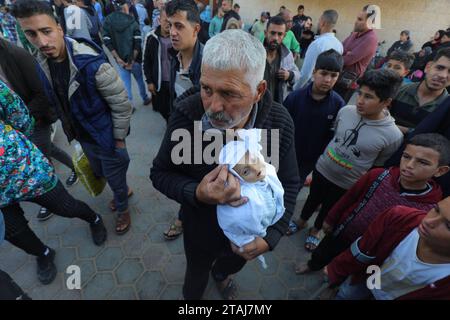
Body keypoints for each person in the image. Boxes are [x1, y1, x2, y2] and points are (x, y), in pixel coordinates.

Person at [150, 29, 300, 300]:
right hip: (199, 234)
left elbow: (290, 183)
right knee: (195, 278)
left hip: (247, 239)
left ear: (258, 91)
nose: (214, 106)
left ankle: (221, 275)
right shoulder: (187, 115)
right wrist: (197, 193)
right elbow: (160, 173)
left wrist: (271, 237)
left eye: (229, 94)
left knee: (229, 266)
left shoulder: (278, 122)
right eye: (207, 89)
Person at [13, 0, 134, 235]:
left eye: (46, 31)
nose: (42, 42)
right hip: (83, 137)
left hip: (106, 138)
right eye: (31, 34)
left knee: (114, 176)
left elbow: (122, 105)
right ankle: (122, 191)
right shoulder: (41, 60)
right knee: (101, 172)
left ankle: (123, 208)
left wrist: (118, 140)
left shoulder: (91, 63)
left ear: (59, 27)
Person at [0, 80, 107, 285]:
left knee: (65, 207)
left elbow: (20, 117)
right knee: (14, 232)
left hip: (25, 171)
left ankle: (94, 219)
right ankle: (44, 253)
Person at [296, 133, 449, 275]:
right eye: (406, 157)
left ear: (440, 171)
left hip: (370, 250)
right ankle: (313, 265)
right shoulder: (378, 175)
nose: (409, 165)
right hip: (343, 231)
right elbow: (349, 197)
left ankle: (333, 284)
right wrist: (330, 219)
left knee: (350, 270)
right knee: (324, 252)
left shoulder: (431, 207)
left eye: (422, 162)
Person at [295, 69, 404, 252]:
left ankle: (316, 230)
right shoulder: (345, 111)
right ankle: (301, 220)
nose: (360, 100)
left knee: (329, 207)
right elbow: (334, 135)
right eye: (359, 93)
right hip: (322, 169)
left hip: (346, 184)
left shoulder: (392, 136)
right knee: (312, 198)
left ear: (386, 102)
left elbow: (378, 165)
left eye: (368, 97)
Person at [0, 37, 79, 222]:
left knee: (41, 158)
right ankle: (75, 168)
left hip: (35, 117)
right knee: (49, 150)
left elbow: (41, 93)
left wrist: (22, 121)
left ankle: (55, 201)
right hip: (13, 128)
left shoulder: (16, 54)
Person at [323, 198, 450, 300]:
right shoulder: (399, 218)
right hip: (366, 278)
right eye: (436, 209)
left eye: (448, 225)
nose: (429, 221)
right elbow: (362, 248)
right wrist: (336, 269)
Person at [284, 49, 345, 235]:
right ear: (314, 72)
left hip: (313, 161)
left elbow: (333, 137)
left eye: (333, 75)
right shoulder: (295, 98)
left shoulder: (338, 105)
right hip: (288, 155)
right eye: (323, 73)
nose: (327, 80)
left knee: (297, 192)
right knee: (282, 187)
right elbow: (282, 128)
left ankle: (286, 219)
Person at [162, 0, 203, 240]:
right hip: (181, 133)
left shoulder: (209, 63)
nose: (172, 32)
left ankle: (185, 220)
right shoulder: (174, 56)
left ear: (196, 28)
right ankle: (184, 215)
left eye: (179, 26)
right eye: (169, 25)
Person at [389, 48, 450, 134]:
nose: (443, 75)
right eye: (439, 68)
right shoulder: (397, 91)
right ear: (428, 67)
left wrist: (403, 130)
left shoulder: (446, 108)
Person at [102, 0, 151, 107]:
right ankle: (145, 98)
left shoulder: (108, 21)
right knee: (139, 80)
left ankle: (130, 105)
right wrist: (132, 60)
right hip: (135, 60)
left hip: (120, 61)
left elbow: (106, 40)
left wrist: (118, 59)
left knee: (126, 83)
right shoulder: (132, 21)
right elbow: (138, 41)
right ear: (125, 7)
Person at [334, 5, 379, 102]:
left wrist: (347, 54)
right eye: (357, 18)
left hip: (346, 83)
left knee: (335, 109)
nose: (356, 21)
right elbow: (340, 49)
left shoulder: (371, 39)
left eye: (359, 19)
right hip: (337, 77)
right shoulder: (354, 34)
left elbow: (348, 60)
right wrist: (346, 53)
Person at [295, 9, 343, 90]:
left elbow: (306, 73)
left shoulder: (317, 44)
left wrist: (296, 89)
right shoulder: (339, 45)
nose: (317, 23)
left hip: (311, 88)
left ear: (322, 23)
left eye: (319, 20)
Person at [262, 16, 299, 104]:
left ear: (284, 35)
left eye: (280, 34)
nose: (275, 38)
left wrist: (289, 75)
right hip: (256, 105)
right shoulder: (255, 53)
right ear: (265, 33)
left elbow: (297, 75)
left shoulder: (287, 55)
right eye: (273, 33)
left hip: (277, 106)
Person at [143, 4, 171, 121]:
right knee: (162, 108)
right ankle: (168, 121)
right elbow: (146, 62)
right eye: (166, 20)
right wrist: (149, 81)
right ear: (159, 20)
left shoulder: (178, 36)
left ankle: (172, 124)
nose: (168, 24)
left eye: (171, 21)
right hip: (159, 81)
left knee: (176, 107)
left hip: (176, 81)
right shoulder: (151, 37)